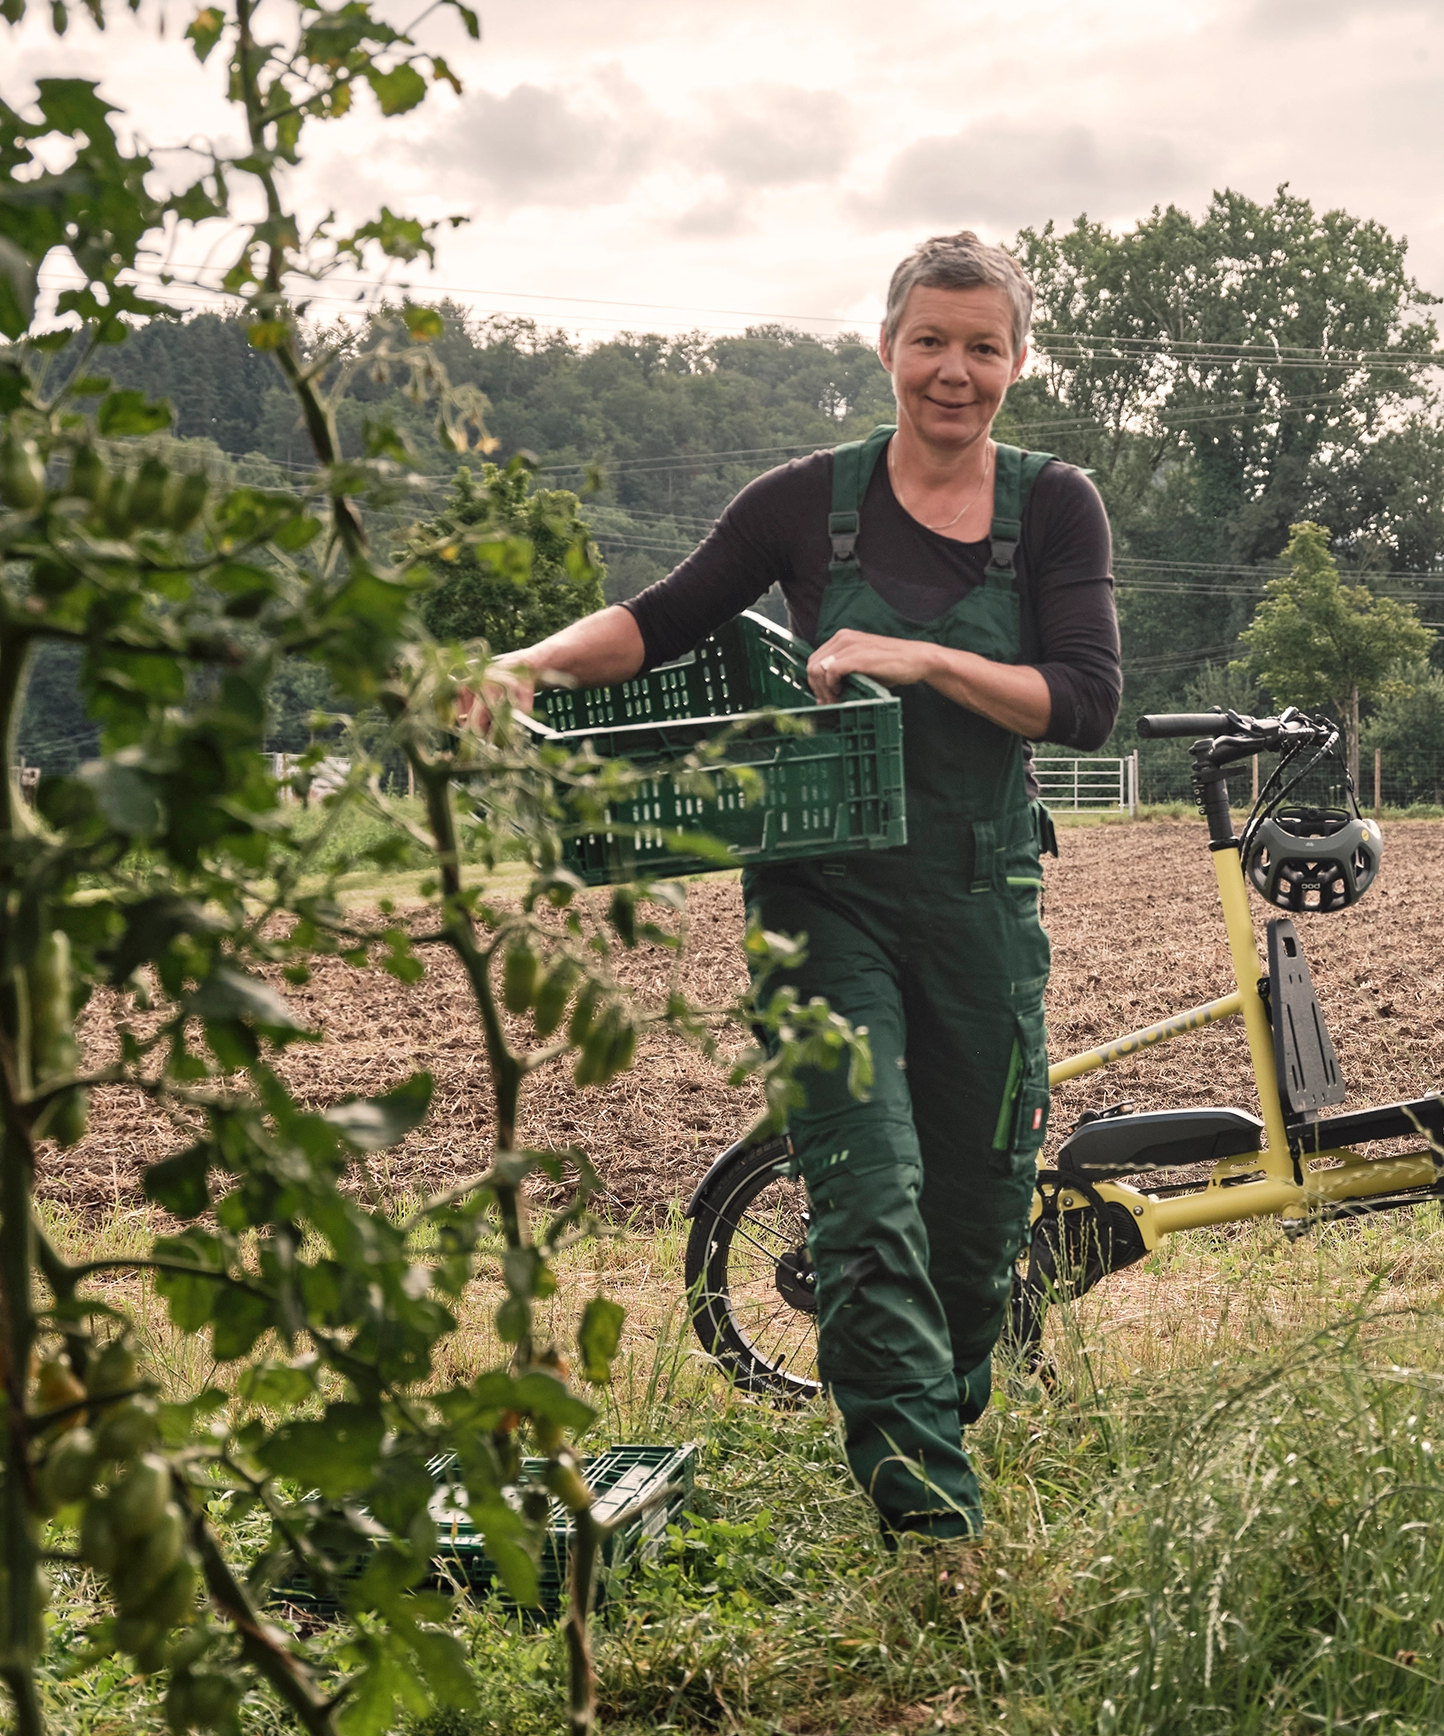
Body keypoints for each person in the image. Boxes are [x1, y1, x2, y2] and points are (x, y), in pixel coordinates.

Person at [469, 233, 1122, 1544]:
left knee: (977, 1231)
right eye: (929, 341)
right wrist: (528, 662)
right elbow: (660, 620)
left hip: (982, 907)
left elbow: (1088, 705)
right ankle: (932, 1532)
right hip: (828, 912)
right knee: (870, 1205)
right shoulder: (803, 504)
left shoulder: (1054, 506)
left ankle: (929, 1428)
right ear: (885, 347)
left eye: (982, 346)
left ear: (1018, 360)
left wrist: (921, 657)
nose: (955, 370)